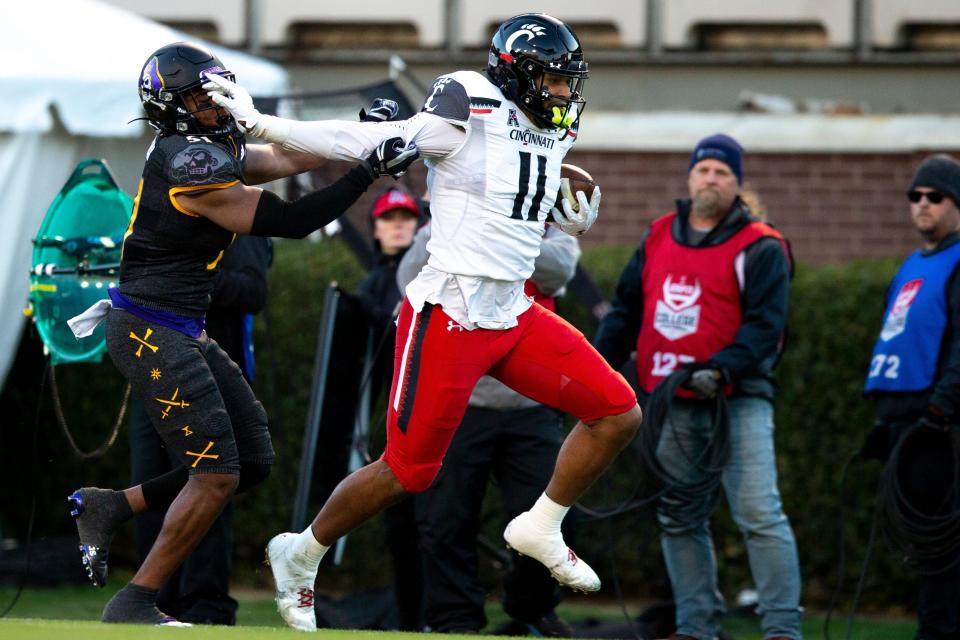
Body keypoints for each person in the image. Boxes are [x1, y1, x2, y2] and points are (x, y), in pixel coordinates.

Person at [204, 12, 642, 632]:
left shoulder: (550, 130)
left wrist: (562, 213)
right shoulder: (469, 100)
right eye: (555, 80)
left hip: (513, 311)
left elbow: (509, 196)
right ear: (518, 74)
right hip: (451, 311)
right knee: (409, 470)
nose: (566, 94)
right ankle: (300, 551)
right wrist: (264, 124)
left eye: (570, 82)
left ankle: (541, 523)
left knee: (617, 411)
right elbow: (354, 142)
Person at [65, 41, 418, 625]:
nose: (217, 103)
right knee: (217, 473)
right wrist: (367, 170)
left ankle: (110, 505)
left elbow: (282, 158)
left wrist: (358, 134)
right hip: (150, 329)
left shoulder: (210, 144)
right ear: (172, 106)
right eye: (203, 96)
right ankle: (135, 601)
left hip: (179, 326)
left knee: (251, 459)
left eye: (218, 89)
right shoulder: (188, 163)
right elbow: (291, 219)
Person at [593, 134, 801, 640]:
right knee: (679, 516)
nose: (710, 178)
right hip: (673, 401)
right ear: (689, 177)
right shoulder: (658, 236)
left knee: (758, 514)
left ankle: (781, 630)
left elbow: (767, 326)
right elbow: (625, 311)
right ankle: (695, 627)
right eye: (703, 169)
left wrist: (723, 368)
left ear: (737, 184)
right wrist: (597, 371)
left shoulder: (762, 245)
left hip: (739, 398)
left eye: (722, 172)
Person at [397, 220, 580, 636]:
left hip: (533, 401)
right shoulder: (449, 217)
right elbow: (410, 280)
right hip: (461, 399)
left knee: (547, 517)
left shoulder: (546, 221)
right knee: (445, 520)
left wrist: (491, 236)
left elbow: (560, 269)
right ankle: (455, 620)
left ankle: (531, 610)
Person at [127, 234, 271, 625]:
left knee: (207, 484)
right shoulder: (163, 220)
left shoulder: (241, 220)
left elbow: (252, 291)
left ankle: (206, 605)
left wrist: (187, 273)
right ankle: (151, 599)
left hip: (207, 380)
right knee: (148, 486)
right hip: (155, 375)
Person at [861, 154, 960, 640]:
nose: (923, 205)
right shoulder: (912, 265)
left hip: (940, 428)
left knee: (943, 547)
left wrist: (941, 408)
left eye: (936, 197)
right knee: (923, 548)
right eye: (916, 197)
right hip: (905, 423)